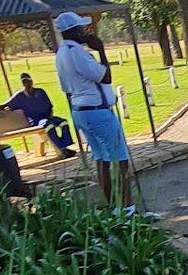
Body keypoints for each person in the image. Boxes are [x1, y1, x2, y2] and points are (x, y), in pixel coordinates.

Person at [52, 11, 134, 207]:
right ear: (72, 31)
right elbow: (105, 77)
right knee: (120, 160)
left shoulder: (61, 53)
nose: (84, 31)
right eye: (80, 28)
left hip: (82, 110)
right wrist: (101, 51)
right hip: (97, 111)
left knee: (102, 159)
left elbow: (66, 88)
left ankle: (113, 206)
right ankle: (129, 209)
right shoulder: (76, 52)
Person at [1, 70, 74, 155]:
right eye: (24, 82)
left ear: (31, 81)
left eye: (28, 81)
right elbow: (5, 105)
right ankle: (61, 148)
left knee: (63, 122)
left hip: (47, 116)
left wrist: (49, 115)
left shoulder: (40, 91)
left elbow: (50, 106)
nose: (27, 84)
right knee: (49, 125)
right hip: (35, 120)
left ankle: (65, 145)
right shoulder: (20, 96)